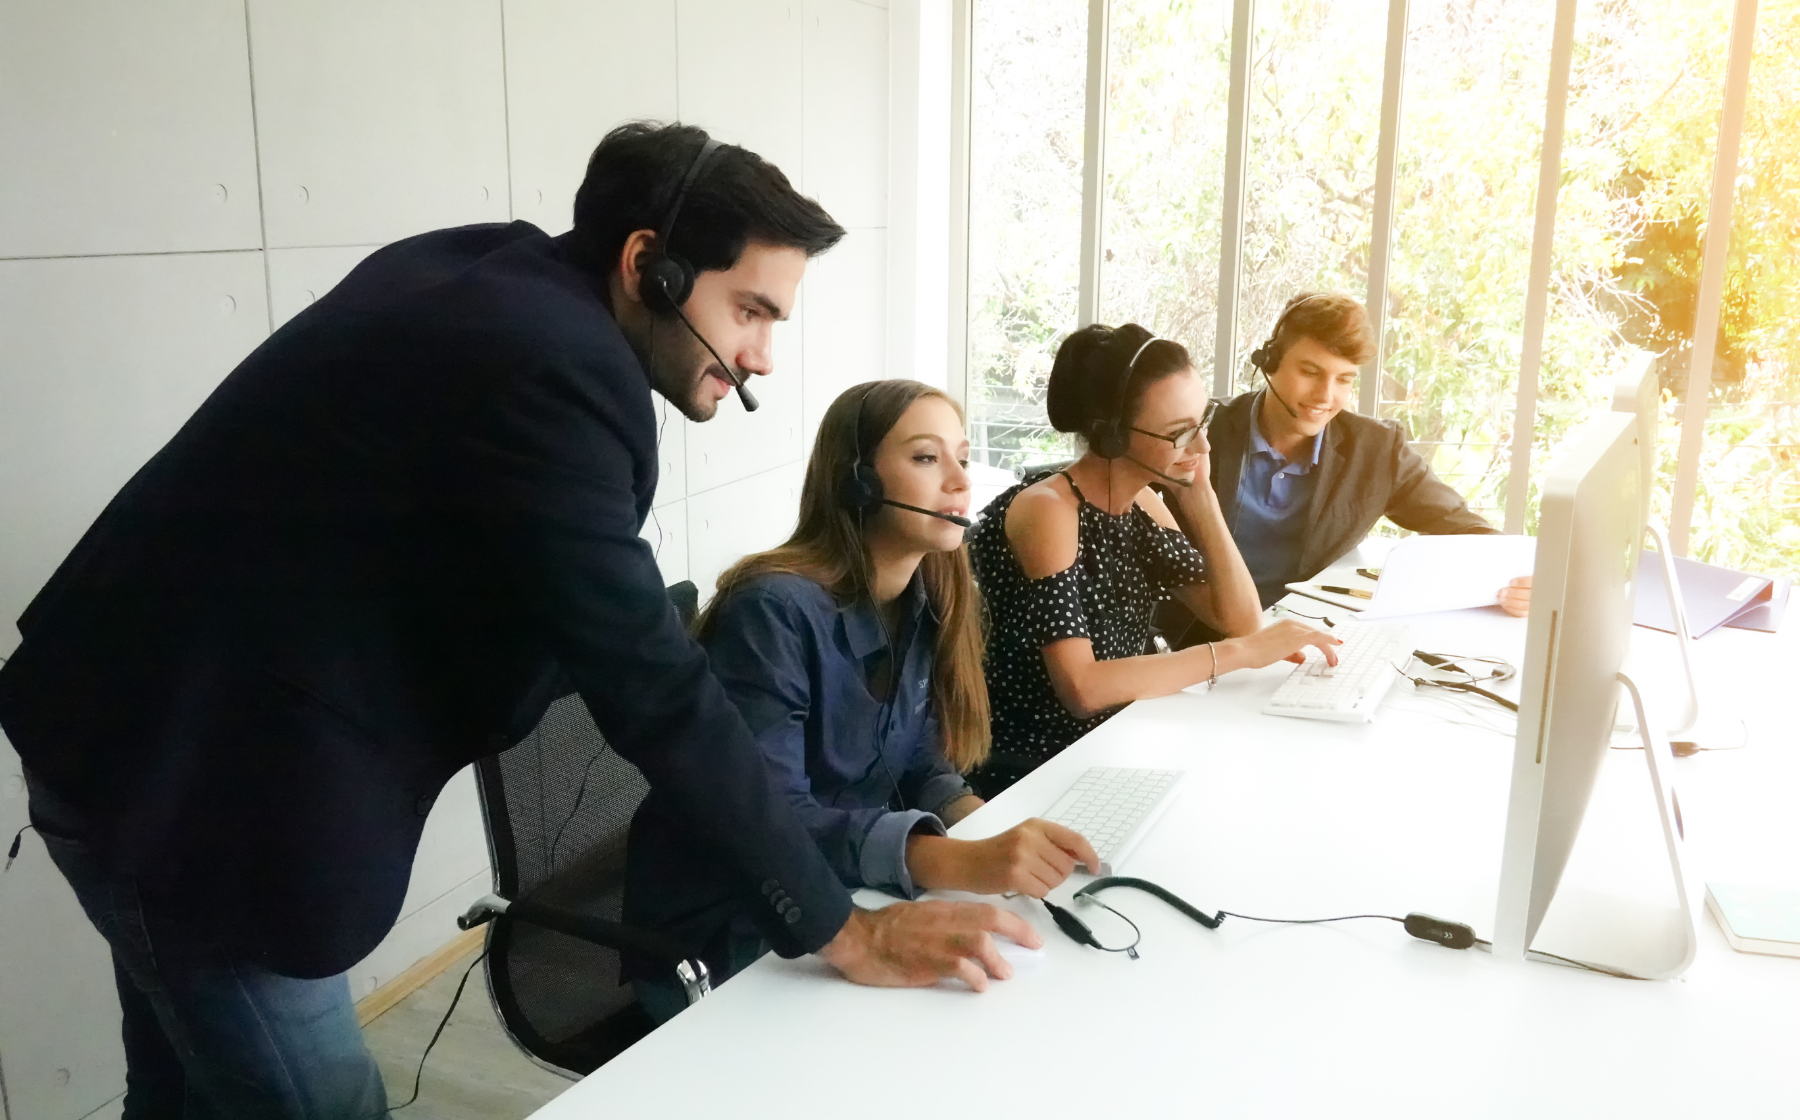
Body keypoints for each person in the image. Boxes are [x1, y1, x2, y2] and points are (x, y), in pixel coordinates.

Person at [0, 123, 1034, 1119]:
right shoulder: (555, 370)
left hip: (128, 726)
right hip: (194, 794)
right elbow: (653, 690)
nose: (762, 355)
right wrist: (838, 930)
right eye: (751, 310)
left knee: (184, 1093)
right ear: (650, 266)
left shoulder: (493, 282)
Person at [625, 379, 1098, 1019]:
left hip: (848, 900)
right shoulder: (772, 612)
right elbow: (770, 820)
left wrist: (987, 833)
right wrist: (954, 859)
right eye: (928, 458)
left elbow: (922, 767)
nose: (960, 480)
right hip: (733, 936)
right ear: (858, 481)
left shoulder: (930, 598)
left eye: (962, 456)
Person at [967, 324, 1339, 796]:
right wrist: (1235, 655)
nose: (1203, 446)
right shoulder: (1049, 510)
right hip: (1040, 769)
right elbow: (1082, 689)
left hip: (1117, 745)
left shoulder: (1143, 503)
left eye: (1202, 423)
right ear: (1111, 437)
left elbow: (1241, 620)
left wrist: (1200, 495)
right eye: (1180, 434)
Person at [1202, 292, 1531, 625]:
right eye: (1310, 372)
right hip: (1199, 633)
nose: (1326, 396)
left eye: (1344, 379)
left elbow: (1466, 529)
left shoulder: (1377, 449)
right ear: (1270, 362)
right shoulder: (1204, 429)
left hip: (1311, 635)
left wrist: (1519, 582)